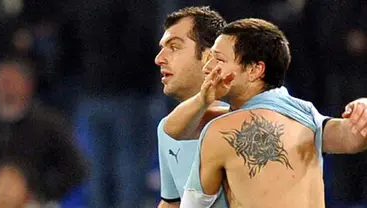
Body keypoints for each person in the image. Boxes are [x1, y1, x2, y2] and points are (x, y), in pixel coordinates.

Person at [162, 18, 367, 207]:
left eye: (219, 60)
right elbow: (352, 138)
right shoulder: (305, 116)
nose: (207, 68)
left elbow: (192, 203)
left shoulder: (219, 130)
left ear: (254, 70)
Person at [154, 6, 230, 208]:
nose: (159, 59)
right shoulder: (166, 129)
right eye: (162, 48)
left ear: (209, 56)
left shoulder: (245, 119)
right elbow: (172, 203)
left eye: (174, 47)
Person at [0, 57, 86, 207]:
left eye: (10, 82)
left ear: (26, 85)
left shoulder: (48, 124)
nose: (5, 88)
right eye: (1, 81)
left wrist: (40, 192)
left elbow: (76, 168)